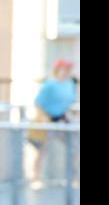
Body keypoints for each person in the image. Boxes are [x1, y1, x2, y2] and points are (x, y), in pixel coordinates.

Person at [30, 57, 77, 188]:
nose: (67, 72)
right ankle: (36, 178)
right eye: (65, 69)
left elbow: (71, 103)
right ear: (57, 70)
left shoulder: (70, 84)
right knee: (41, 149)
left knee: (74, 149)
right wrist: (44, 118)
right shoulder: (49, 85)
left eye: (69, 69)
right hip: (49, 121)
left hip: (64, 121)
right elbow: (38, 103)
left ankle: (72, 179)